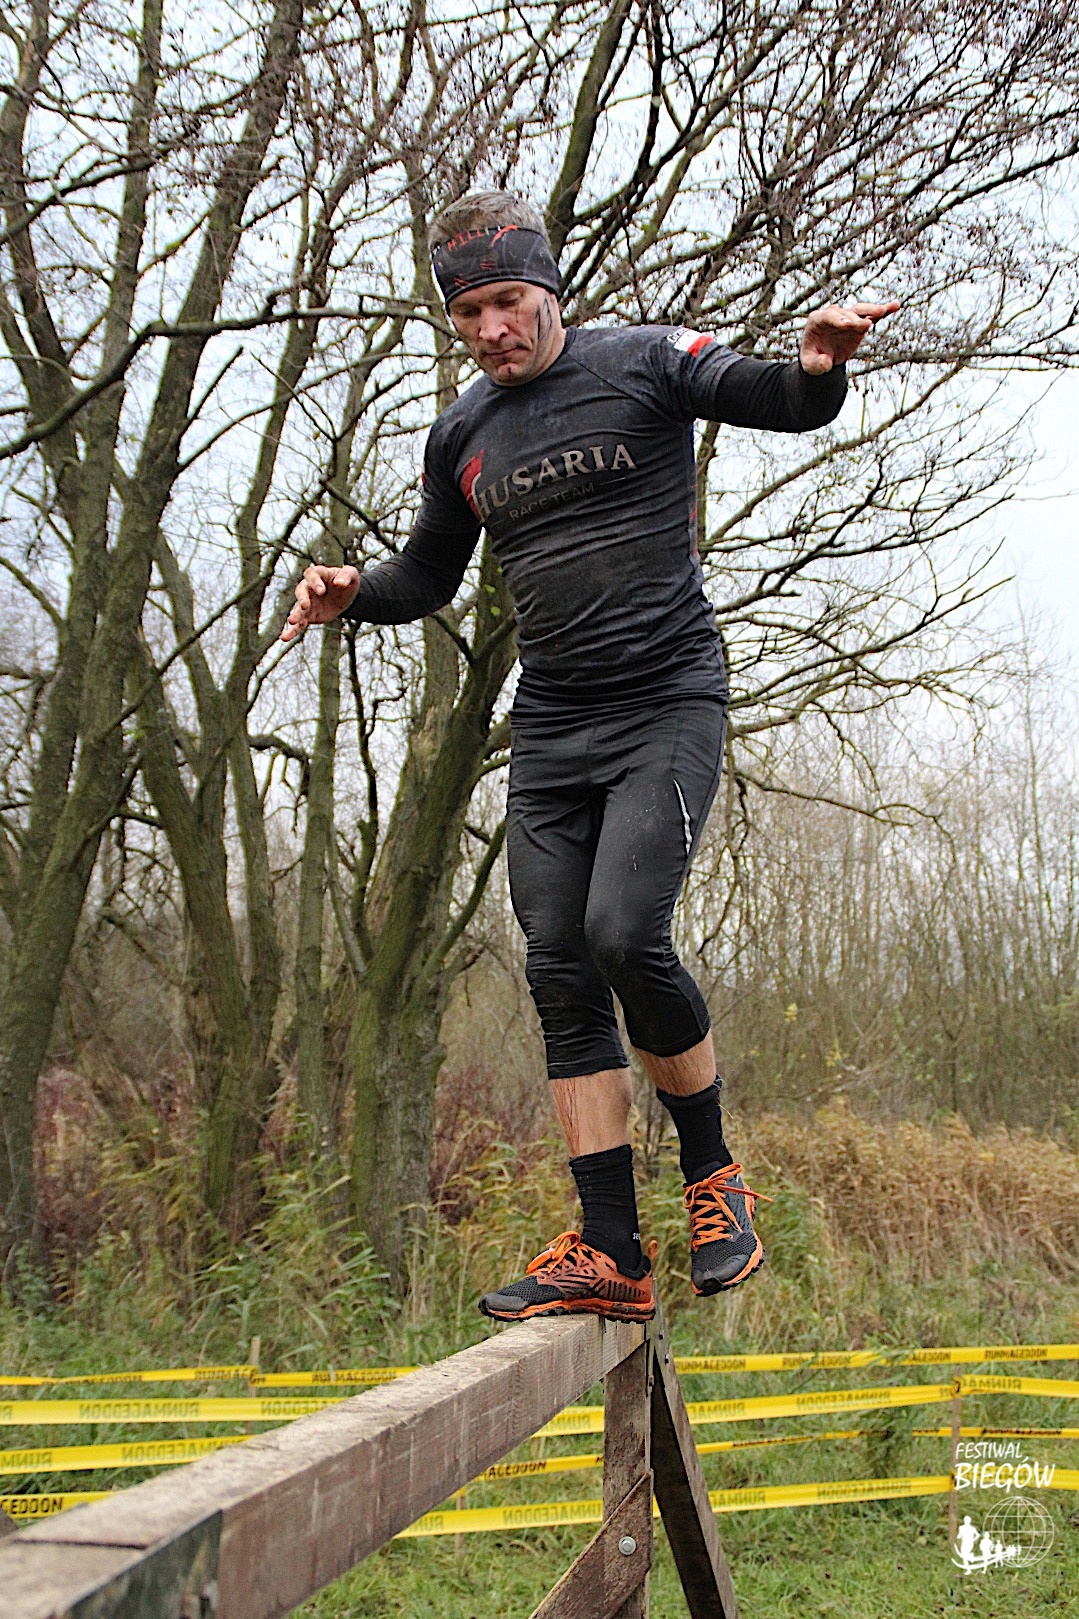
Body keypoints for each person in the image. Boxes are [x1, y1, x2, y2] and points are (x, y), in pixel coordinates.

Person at [283, 191, 898, 1324]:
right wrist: (353, 589)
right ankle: (610, 1247)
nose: (490, 329)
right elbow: (427, 574)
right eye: (467, 312)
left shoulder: (644, 362)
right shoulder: (460, 434)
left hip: (665, 702)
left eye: (507, 301)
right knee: (558, 967)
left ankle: (713, 1177)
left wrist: (816, 368)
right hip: (553, 726)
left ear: (548, 290)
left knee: (623, 932)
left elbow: (770, 394)